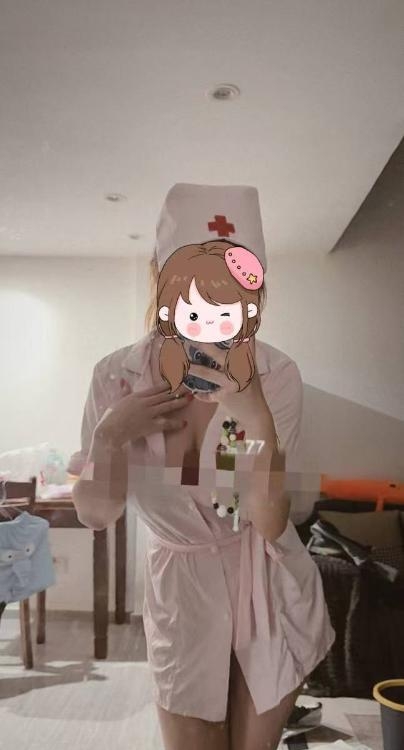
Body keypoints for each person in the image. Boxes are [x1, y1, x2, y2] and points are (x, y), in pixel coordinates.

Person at [68, 183, 336, 750]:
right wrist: (110, 437)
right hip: (181, 586)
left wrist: (255, 418)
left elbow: (265, 519)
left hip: (264, 578)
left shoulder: (273, 376)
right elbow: (95, 515)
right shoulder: (117, 377)